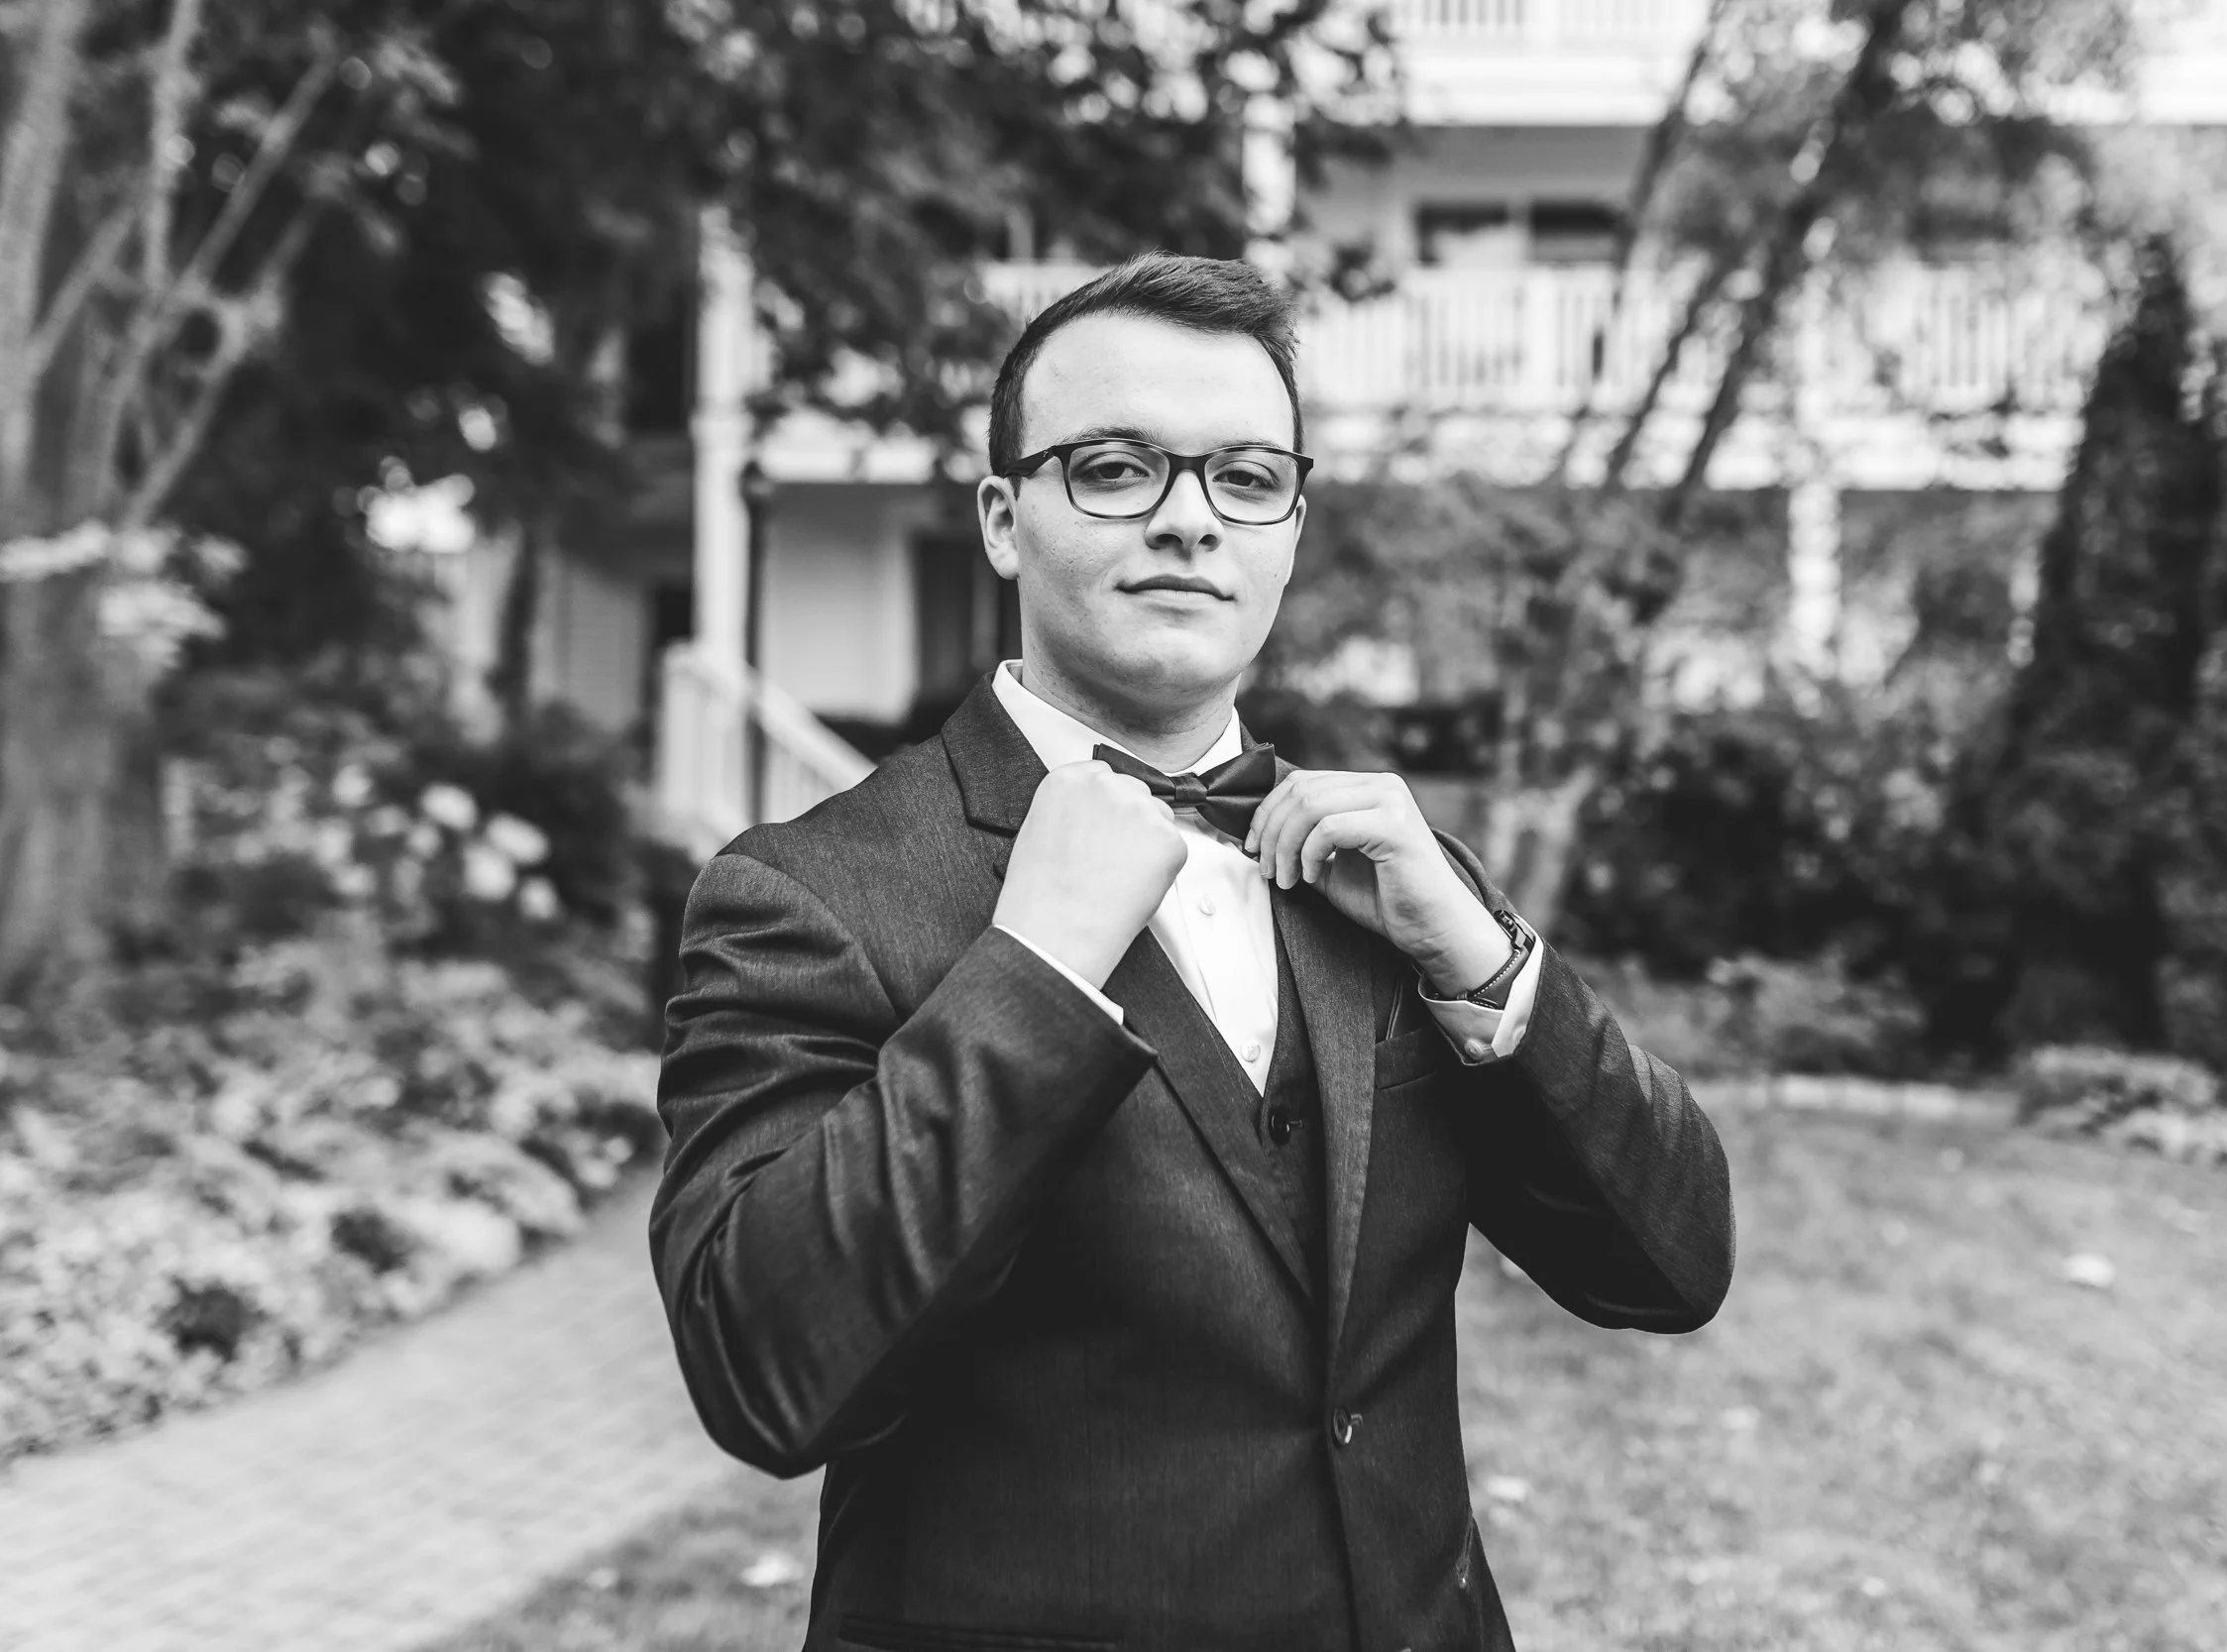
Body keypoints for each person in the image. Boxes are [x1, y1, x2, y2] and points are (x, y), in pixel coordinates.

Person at [650, 253, 1734, 1652]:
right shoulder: (805, 893)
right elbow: (762, 1369)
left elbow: (1670, 1265)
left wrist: (1483, 961)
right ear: (1002, 520)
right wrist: (1037, 966)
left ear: (1289, 527)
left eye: (1244, 476)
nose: (1188, 518)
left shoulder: (1388, 873)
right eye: (1114, 468)